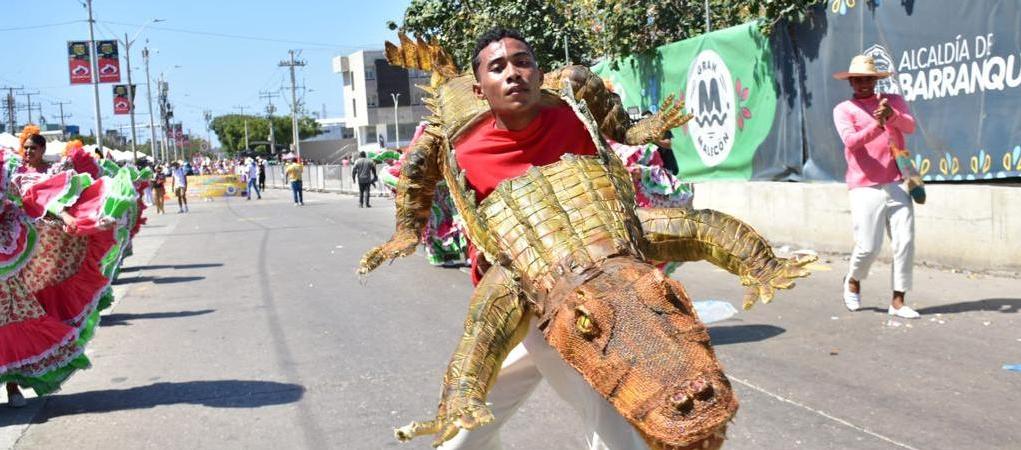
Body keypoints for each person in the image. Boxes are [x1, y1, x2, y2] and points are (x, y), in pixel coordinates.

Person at [430, 28, 646, 450]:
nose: (513, 73)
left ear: (539, 72)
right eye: (498, 67)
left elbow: (603, 204)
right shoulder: (465, 152)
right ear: (480, 89)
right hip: (526, 299)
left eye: (522, 61)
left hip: (591, 292)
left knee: (494, 396)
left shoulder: (573, 121)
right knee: (603, 396)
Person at [832, 55, 919, 319]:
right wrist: (877, 124)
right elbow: (851, 142)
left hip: (897, 181)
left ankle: (898, 301)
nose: (863, 84)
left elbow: (910, 126)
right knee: (868, 247)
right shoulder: (843, 109)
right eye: (858, 79)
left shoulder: (891, 101)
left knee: (905, 242)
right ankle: (853, 279)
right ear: (851, 82)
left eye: (868, 79)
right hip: (863, 186)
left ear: (875, 80)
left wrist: (891, 116)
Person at [642, 110, 679, 175]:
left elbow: (668, 145)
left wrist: (654, 140)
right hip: (655, 171)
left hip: (669, 166)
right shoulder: (643, 134)